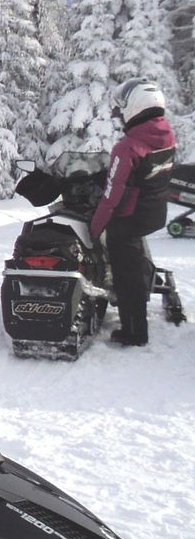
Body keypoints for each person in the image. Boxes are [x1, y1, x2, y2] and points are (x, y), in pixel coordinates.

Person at [89, 77, 177, 347]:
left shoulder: (127, 147)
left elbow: (110, 198)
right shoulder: (166, 135)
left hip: (129, 220)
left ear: (135, 107)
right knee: (133, 265)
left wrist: (95, 230)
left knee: (127, 278)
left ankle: (135, 333)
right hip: (154, 213)